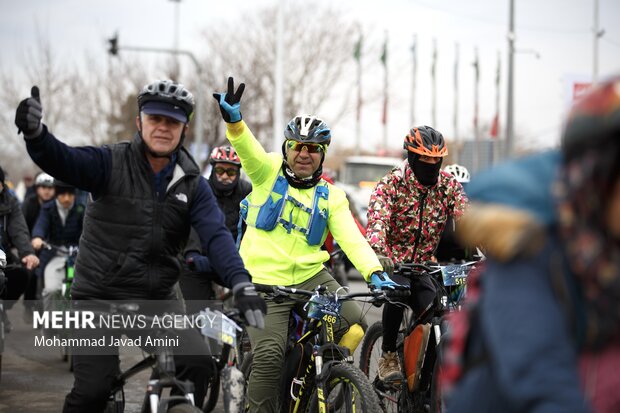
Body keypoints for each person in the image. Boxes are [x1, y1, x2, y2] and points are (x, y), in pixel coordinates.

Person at [15, 80, 266, 412]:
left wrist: (241, 281)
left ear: (184, 129)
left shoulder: (192, 185)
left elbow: (216, 236)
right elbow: (63, 160)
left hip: (157, 300)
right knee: (91, 392)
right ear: (140, 122)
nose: (163, 128)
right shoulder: (109, 163)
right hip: (98, 299)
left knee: (199, 364)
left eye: (172, 122)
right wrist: (36, 136)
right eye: (155, 119)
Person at [213, 77, 405, 412]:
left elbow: (351, 238)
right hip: (263, 280)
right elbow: (247, 147)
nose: (304, 154)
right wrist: (234, 121)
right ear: (286, 149)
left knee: (354, 323)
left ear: (322, 154)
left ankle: (321, 373)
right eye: (297, 146)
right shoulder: (266, 171)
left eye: (313, 148)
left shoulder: (332, 195)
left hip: (309, 277)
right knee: (270, 355)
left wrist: (374, 272)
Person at [444, 76, 620, 413]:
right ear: (598, 176)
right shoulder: (531, 252)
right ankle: (390, 355)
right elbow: (541, 375)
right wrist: (382, 266)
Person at [365, 125, 468, 381]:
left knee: (440, 310)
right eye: (425, 159)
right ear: (411, 157)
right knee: (397, 296)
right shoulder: (391, 183)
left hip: (425, 265)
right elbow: (377, 220)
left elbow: (469, 218)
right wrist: (379, 254)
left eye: (436, 159)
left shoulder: (448, 185)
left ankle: (428, 373)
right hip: (394, 264)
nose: (431, 164)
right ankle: (388, 354)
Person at [179, 145, 252, 311]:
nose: (225, 176)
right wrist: (192, 254)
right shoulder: (200, 188)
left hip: (231, 261)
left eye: (231, 172)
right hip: (199, 260)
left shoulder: (247, 192)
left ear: (238, 173)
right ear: (212, 169)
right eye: (220, 171)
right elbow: (190, 224)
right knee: (198, 314)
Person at [30, 181, 85, 313]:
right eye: (62, 194)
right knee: (51, 290)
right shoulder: (48, 208)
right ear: (57, 194)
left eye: (70, 194)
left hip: (78, 255)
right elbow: (41, 225)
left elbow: (89, 230)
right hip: (53, 254)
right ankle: (49, 324)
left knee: (83, 291)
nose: (66, 198)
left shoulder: (81, 208)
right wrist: (38, 237)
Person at [0, 165, 40, 332]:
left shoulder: (10, 201)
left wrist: (27, 253)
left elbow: (19, 229)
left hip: (3, 253)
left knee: (23, 273)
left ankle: (3, 308)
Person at [21, 171, 55, 313]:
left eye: (50, 188)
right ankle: (29, 305)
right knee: (30, 273)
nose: (47, 191)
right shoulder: (29, 203)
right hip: (32, 244)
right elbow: (21, 226)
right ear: (37, 188)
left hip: (53, 246)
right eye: (43, 187)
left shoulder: (57, 204)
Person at [435, 163, 476, 262]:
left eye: (462, 188)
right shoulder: (434, 207)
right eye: (453, 187)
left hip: (466, 261)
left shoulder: (472, 210)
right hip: (438, 262)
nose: (458, 193)